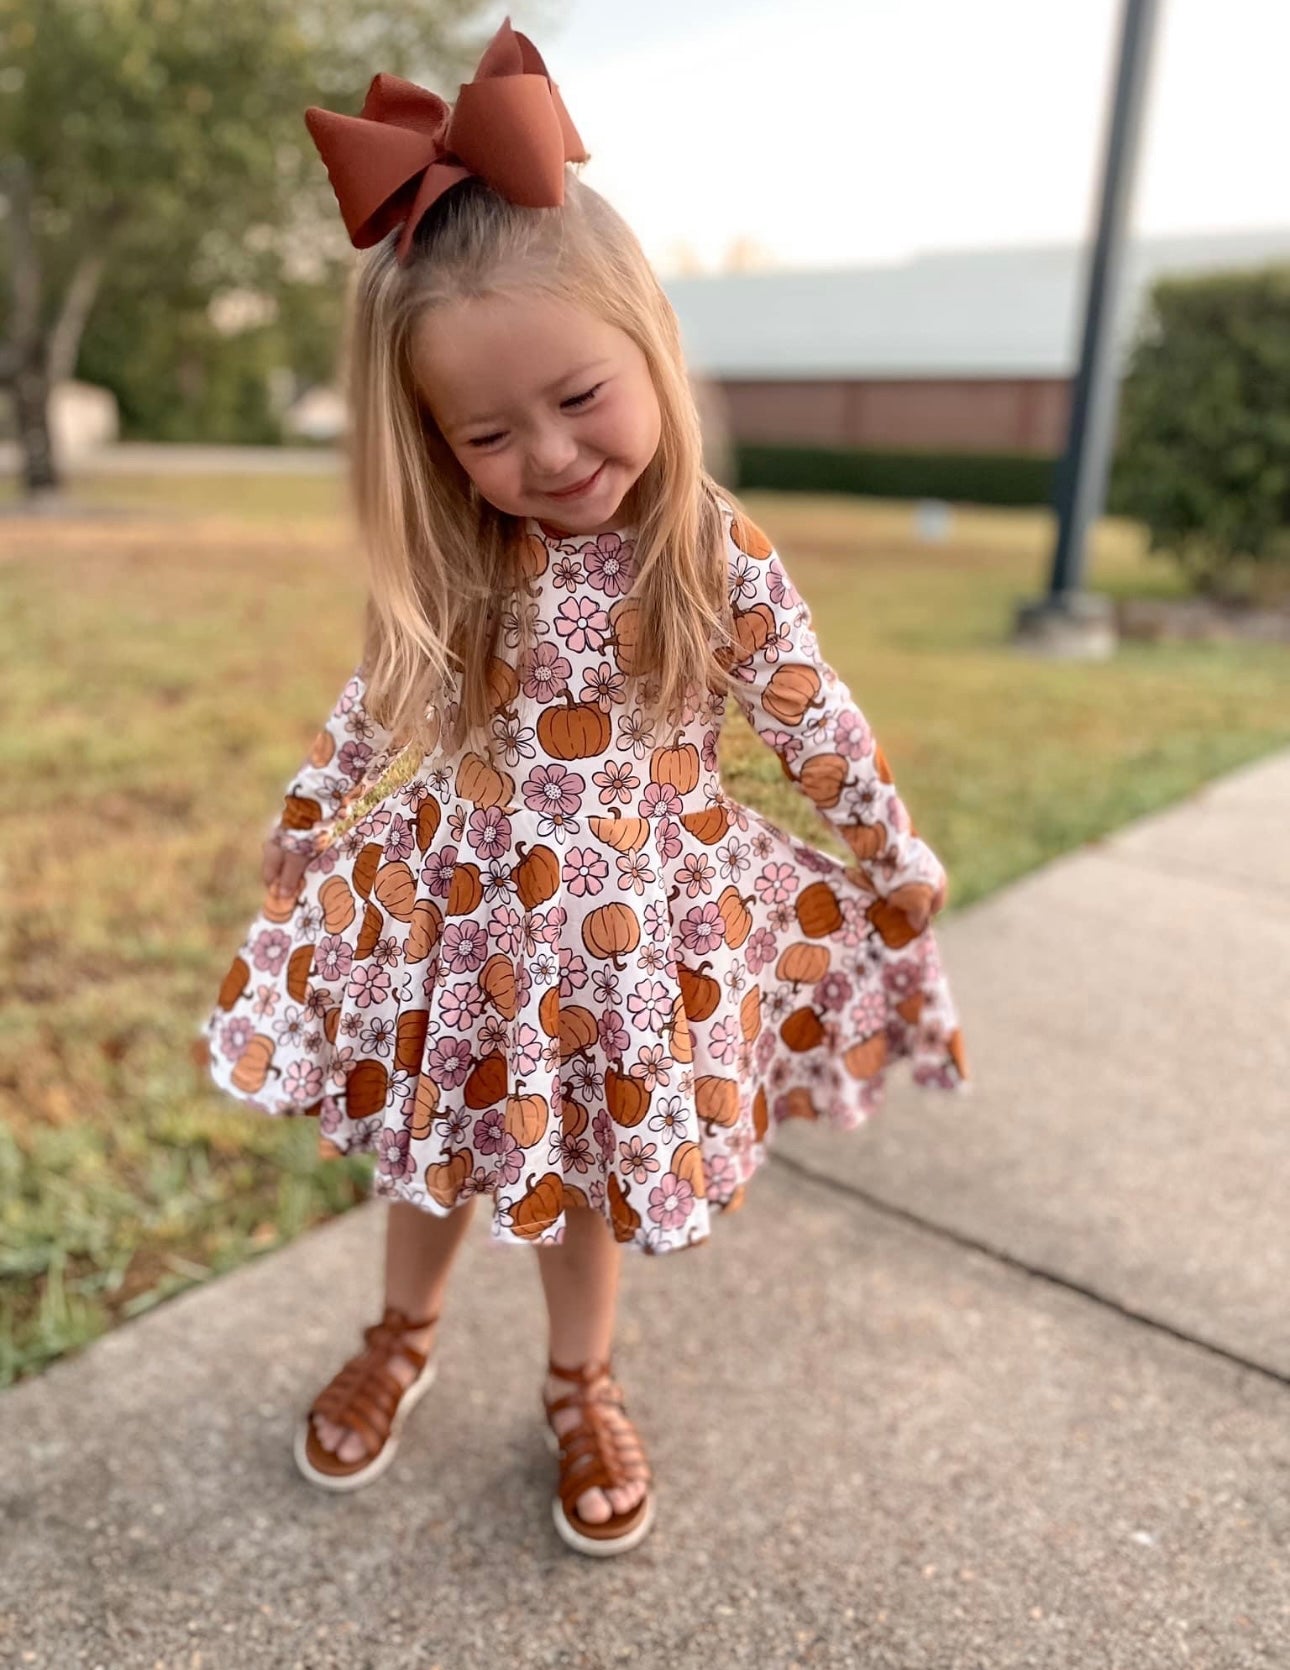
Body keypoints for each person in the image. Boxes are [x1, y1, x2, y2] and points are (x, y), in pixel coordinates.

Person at [198, 16, 968, 1558]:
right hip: (466, 921)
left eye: (577, 397)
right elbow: (379, 709)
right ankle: (400, 1333)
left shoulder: (712, 557)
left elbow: (818, 720)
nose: (547, 454)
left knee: (588, 1179)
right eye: (487, 431)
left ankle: (578, 1378)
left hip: (629, 940)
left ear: (649, 350)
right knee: (435, 1147)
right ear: (437, 444)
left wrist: (889, 848)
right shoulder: (461, 563)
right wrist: (301, 824)